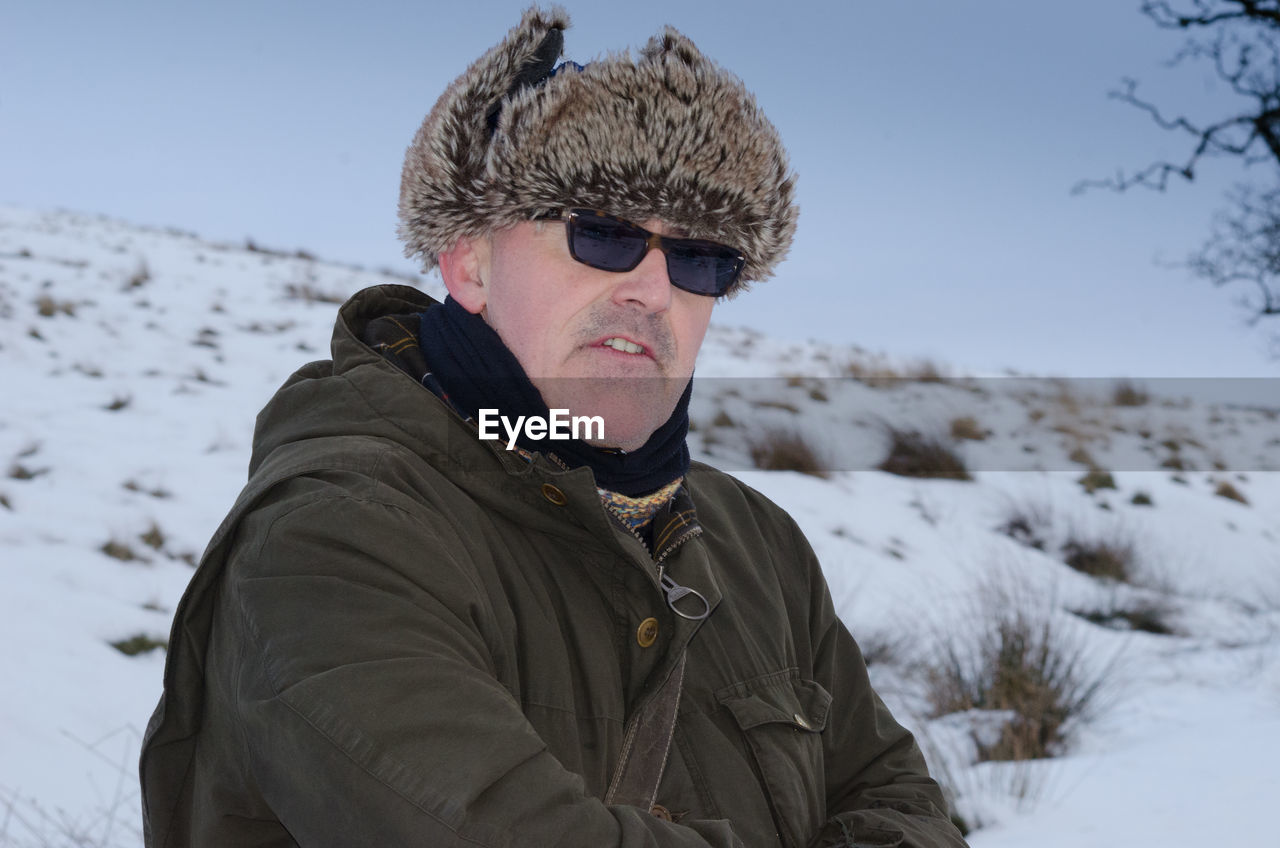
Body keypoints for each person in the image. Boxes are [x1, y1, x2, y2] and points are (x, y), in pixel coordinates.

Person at [139, 7, 968, 847]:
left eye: (699, 258)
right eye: (603, 236)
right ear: (469, 260)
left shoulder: (755, 542)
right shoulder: (334, 536)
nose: (654, 290)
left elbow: (904, 803)